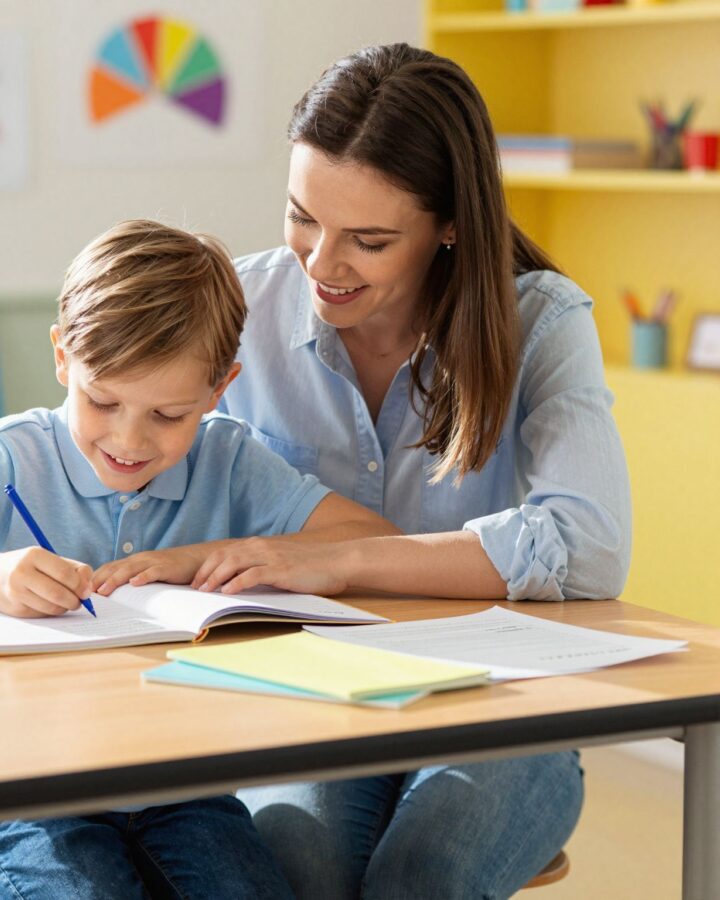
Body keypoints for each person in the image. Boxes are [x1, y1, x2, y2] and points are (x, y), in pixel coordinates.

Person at [0, 218, 400, 900]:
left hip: (181, 787)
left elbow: (373, 539)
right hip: (23, 788)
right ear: (63, 358)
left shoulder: (229, 459)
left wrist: (207, 557)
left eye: (168, 415)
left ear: (220, 388)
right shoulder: (14, 456)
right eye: (103, 401)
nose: (130, 439)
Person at [197, 42, 630, 899]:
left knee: (422, 875)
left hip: (502, 700)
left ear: (451, 224)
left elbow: (589, 545)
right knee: (297, 868)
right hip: (307, 687)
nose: (321, 263)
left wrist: (345, 558)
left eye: (368, 239)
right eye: (301, 218)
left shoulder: (541, 321)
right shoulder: (238, 311)